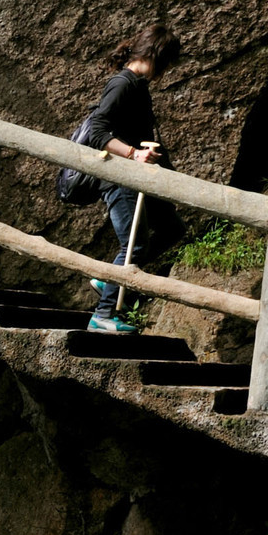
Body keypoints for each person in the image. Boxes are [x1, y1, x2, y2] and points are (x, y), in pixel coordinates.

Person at [79, 24, 181, 334]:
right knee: (134, 245)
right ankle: (103, 315)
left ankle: (109, 279)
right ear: (157, 57)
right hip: (119, 178)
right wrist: (133, 154)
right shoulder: (122, 84)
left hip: (138, 179)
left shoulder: (138, 85)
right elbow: (96, 131)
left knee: (171, 229)